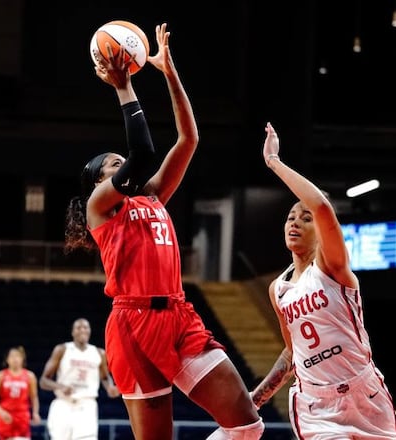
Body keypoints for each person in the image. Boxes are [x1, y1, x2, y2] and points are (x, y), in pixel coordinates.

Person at [63, 22, 263, 440]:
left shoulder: (152, 195)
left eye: (122, 162)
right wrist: (123, 88)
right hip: (132, 323)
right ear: (99, 182)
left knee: (247, 425)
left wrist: (169, 73)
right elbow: (144, 151)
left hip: (179, 316)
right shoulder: (102, 207)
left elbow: (188, 139)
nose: (125, 167)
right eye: (114, 165)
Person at [247, 122, 396, 439]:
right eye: (291, 217)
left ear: (321, 229)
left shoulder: (332, 268)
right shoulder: (279, 289)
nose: (296, 222)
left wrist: (274, 162)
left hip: (364, 393)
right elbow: (293, 353)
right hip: (317, 403)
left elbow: (320, 206)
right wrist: (256, 398)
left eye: (305, 218)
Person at [39, 318, 121, 440]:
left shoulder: (99, 353)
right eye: (79, 327)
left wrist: (109, 387)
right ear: (73, 332)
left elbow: (104, 377)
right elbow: (43, 381)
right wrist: (60, 386)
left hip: (86, 404)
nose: (82, 330)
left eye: (85, 327)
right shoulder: (62, 349)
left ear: (90, 331)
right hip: (63, 403)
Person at [0, 345, 42, 440]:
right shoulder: (0, 376)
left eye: (17, 356)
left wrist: (35, 413)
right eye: (12, 356)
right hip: (5, 416)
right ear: (7, 360)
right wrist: (1, 412)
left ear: (22, 359)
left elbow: (34, 397)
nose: (15, 359)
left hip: (23, 416)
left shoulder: (30, 376)